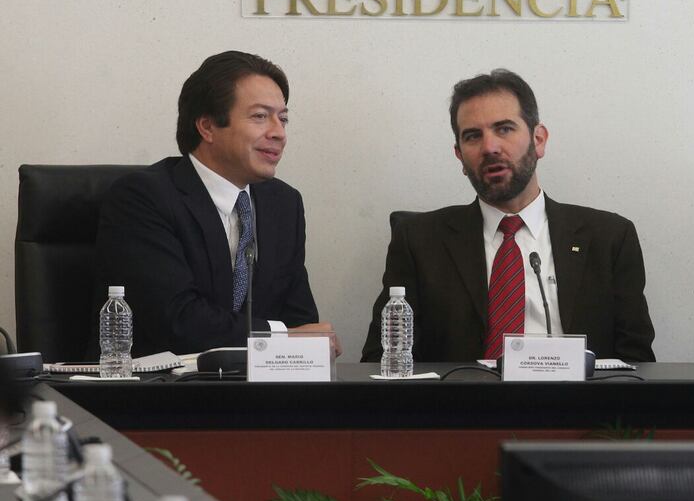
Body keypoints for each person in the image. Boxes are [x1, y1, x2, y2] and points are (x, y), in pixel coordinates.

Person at [360, 69, 655, 363]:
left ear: (538, 140)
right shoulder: (419, 241)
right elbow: (381, 360)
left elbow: (638, 365)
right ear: (459, 156)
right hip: (461, 394)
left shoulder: (609, 238)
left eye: (504, 129)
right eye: (473, 136)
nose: (490, 148)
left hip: (575, 393)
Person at [95, 51, 340, 357]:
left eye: (283, 119)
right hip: (164, 383)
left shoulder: (283, 204)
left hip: (259, 385)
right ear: (207, 126)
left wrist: (307, 343)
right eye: (260, 116)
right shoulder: (144, 198)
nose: (279, 133)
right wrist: (279, 336)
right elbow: (179, 321)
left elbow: (301, 323)